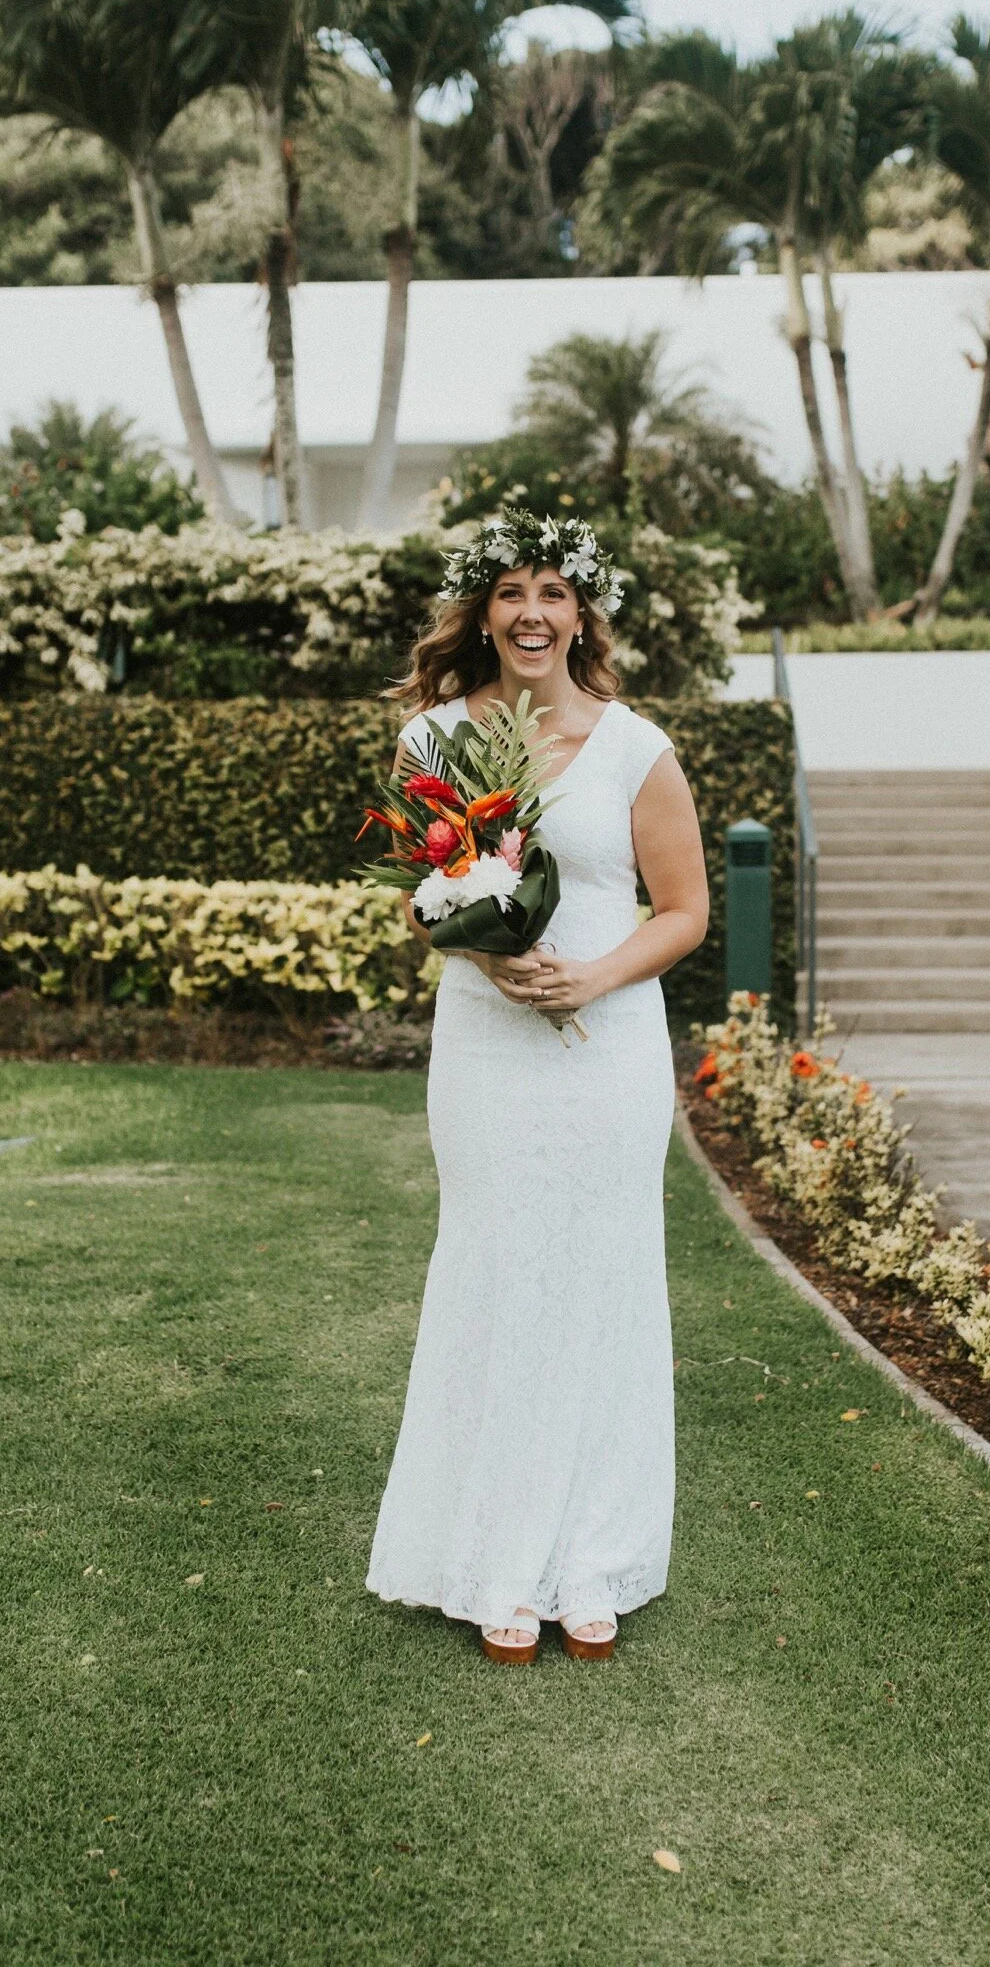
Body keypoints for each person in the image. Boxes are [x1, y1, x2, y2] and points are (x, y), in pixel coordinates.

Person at [365, 510, 709, 1663]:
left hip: (608, 1053)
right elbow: (423, 896)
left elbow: (685, 911)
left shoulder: (636, 750)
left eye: (553, 592)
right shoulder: (430, 740)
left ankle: (592, 1557)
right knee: (496, 1270)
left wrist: (593, 977)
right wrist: (485, 955)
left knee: (602, 1280)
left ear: (581, 615)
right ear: (481, 614)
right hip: (485, 1048)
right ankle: (493, 1554)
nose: (531, 612)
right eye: (511, 591)